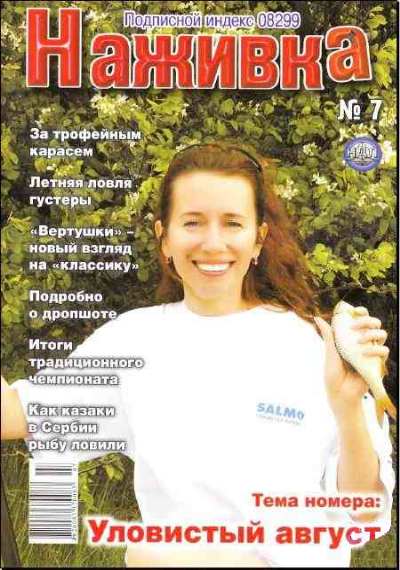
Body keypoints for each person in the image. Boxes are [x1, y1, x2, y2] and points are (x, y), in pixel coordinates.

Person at [1, 143, 395, 567]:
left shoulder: (317, 344)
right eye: (192, 222)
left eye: (232, 223)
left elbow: (363, 512)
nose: (212, 243)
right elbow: (14, 416)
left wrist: (347, 407)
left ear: (258, 239)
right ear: (164, 238)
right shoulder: (132, 339)